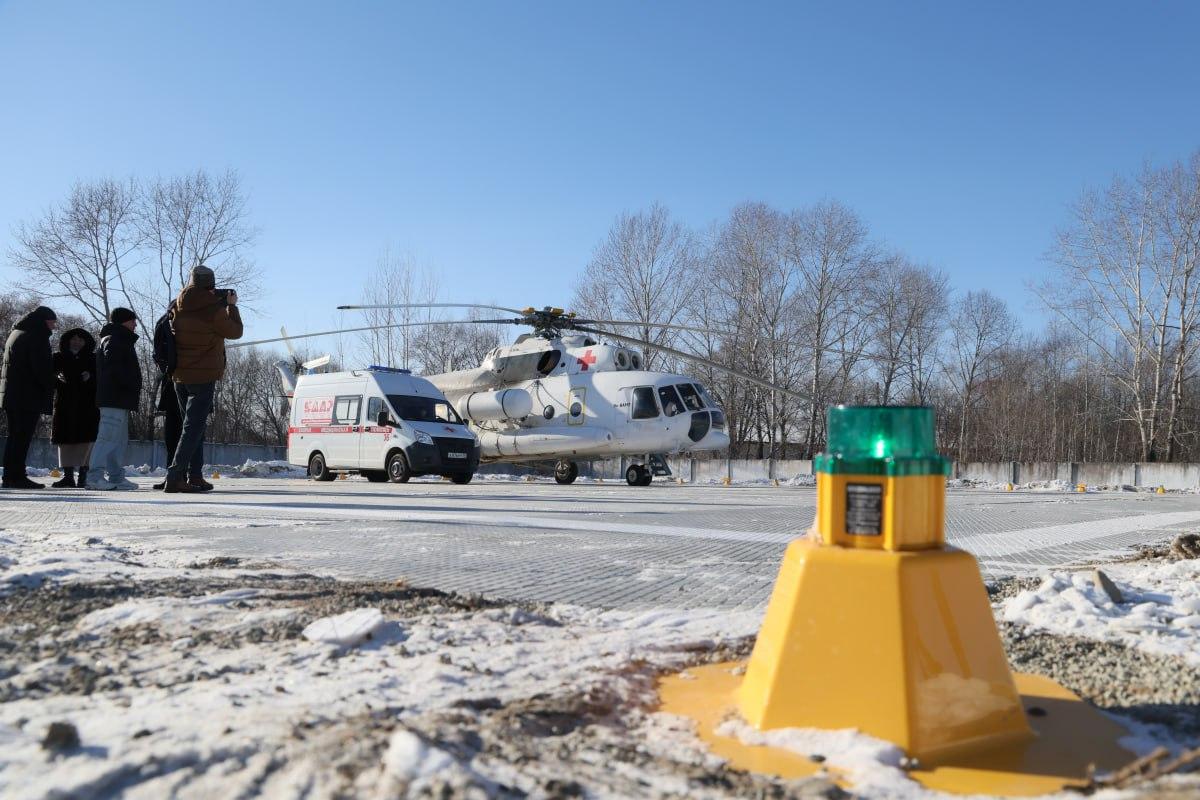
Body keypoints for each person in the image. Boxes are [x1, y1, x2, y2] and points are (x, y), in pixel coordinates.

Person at [164, 265, 242, 493]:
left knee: (191, 428)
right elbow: (235, 332)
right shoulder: (214, 310)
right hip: (204, 375)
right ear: (211, 285)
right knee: (193, 428)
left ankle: (195, 475)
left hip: (180, 375)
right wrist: (232, 307)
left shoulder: (177, 305)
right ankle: (175, 476)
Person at [0, 306, 57, 489]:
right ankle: (17, 476)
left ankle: (10, 475)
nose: (53, 327)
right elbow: (40, 368)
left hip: (12, 394)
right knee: (21, 437)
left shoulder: (16, 333)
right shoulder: (36, 336)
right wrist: (53, 381)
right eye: (52, 322)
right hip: (26, 395)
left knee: (14, 436)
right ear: (44, 320)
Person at [85, 308, 142, 491]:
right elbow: (113, 367)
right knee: (107, 437)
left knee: (118, 440)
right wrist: (128, 383)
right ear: (124, 321)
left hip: (120, 398)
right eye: (133, 320)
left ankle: (116, 476)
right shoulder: (114, 338)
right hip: (113, 397)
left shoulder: (120, 338)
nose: (135, 324)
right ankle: (94, 477)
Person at [50, 328, 100, 488]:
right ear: (67, 341)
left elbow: (101, 378)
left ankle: (84, 475)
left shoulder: (93, 359)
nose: (77, 342)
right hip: (65, 405)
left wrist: (91, 377)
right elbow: (49, 377)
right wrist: (57, 376)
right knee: (65, 441)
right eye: (74, 339)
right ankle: (68, 476)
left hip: (88, 407)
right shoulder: (58, 357)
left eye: (80, 339)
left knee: (87, 441)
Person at [151, 301, 182, 491]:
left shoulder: (164, 323)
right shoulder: (165, 323)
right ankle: (175, 474)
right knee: (174, 434)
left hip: (176, 381)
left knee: (180, 433)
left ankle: (182, 474)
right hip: (174, 382)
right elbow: (159, 354)